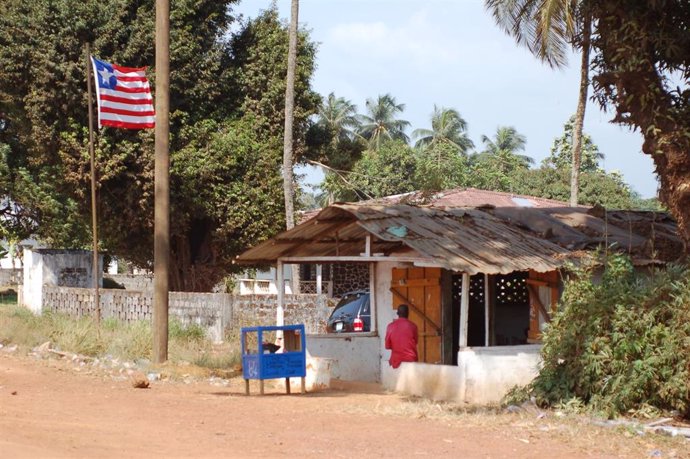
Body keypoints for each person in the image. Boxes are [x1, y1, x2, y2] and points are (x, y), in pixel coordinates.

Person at [384, 304, 418, 368]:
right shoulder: (413, 326)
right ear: (408, 313)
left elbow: (387, 346)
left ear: (397, 313)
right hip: (411, 360)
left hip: (396, 361)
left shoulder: (390, 326)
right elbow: (415, 342)